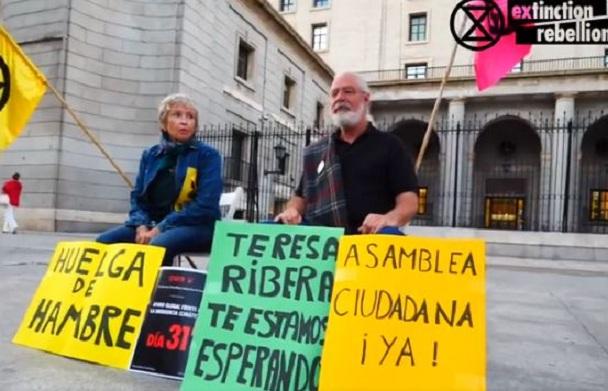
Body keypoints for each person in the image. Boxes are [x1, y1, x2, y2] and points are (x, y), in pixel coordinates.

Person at [275, 72, 419, 234]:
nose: (340, 98)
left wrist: (387, 219)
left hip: (370, 237)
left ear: (366, 99)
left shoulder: (391, 146)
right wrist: (292, 211)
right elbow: (300, 197)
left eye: (348, 91)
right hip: (320, 238)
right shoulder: (315, 151)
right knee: (269, 227)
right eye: (335, 93)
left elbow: (409, 202)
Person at [97, 93, 222, 266]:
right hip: (153, 224)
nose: (185, 121)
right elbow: (138, 197)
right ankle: (113, 291)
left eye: (190, 117)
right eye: (177, 115)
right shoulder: (151, 155)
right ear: (163, 122)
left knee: (158, 246)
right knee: (103, 242)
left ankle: (159, 293)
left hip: (199, 226)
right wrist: (141, 225)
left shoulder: (208, 155)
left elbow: (206, 204)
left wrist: (161, 227)